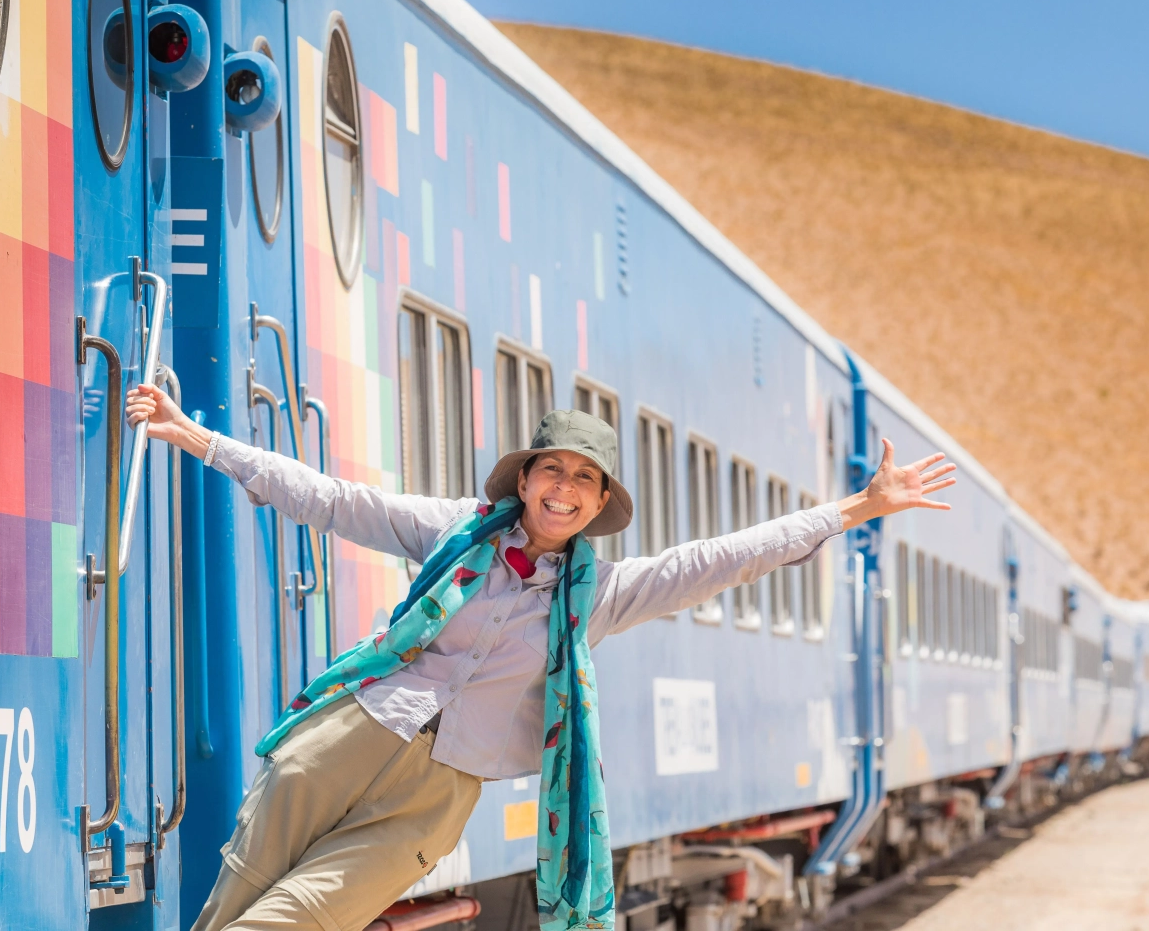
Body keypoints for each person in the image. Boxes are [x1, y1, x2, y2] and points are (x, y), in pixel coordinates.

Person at [125, 382, 956, 931]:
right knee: (233, 900)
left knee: (297, 919)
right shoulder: (454, 533)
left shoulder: (603, 595)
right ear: (523, 481)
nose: (564, 487)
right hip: (346, 738)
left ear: (598, 504)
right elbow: (332, 501)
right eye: (551, 469)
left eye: (584, 480)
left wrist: (857, 507)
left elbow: (723, 559)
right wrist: (197, 438)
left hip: (434, 793)